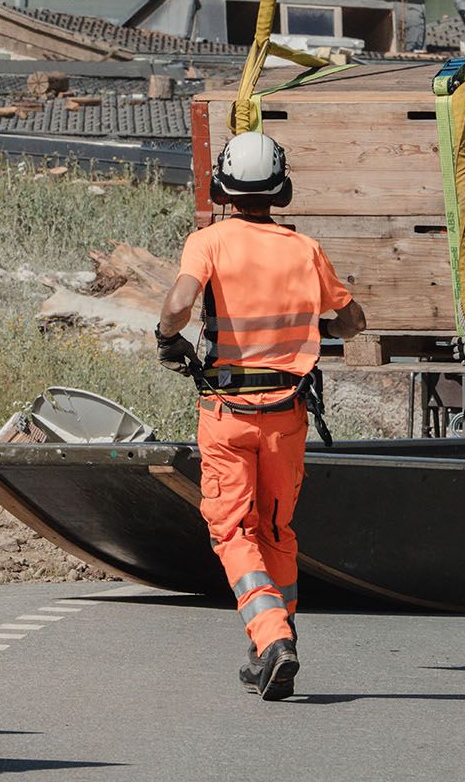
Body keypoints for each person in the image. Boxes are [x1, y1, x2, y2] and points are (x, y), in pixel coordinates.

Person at [157, 130, 367, 702]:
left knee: (232, 531)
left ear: (223, 189)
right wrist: (320, 322)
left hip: (227, 413)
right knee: (276, 529)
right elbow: (353, 323)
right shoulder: (305, 250)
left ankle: (272, 636)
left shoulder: (207, 242)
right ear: (281, 190)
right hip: (286, 415)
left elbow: (178, 306)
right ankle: (273, 643)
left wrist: (166, 337)